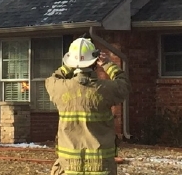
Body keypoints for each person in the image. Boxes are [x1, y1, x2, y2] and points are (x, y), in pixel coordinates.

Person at [45, 37, 129, 175]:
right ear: (94, 62)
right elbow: (124, 84)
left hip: (68, 165)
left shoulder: (59, 88)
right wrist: (108, 64)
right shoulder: (105, 89)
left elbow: (51, 80)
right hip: (101, 166)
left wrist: (69, 65)